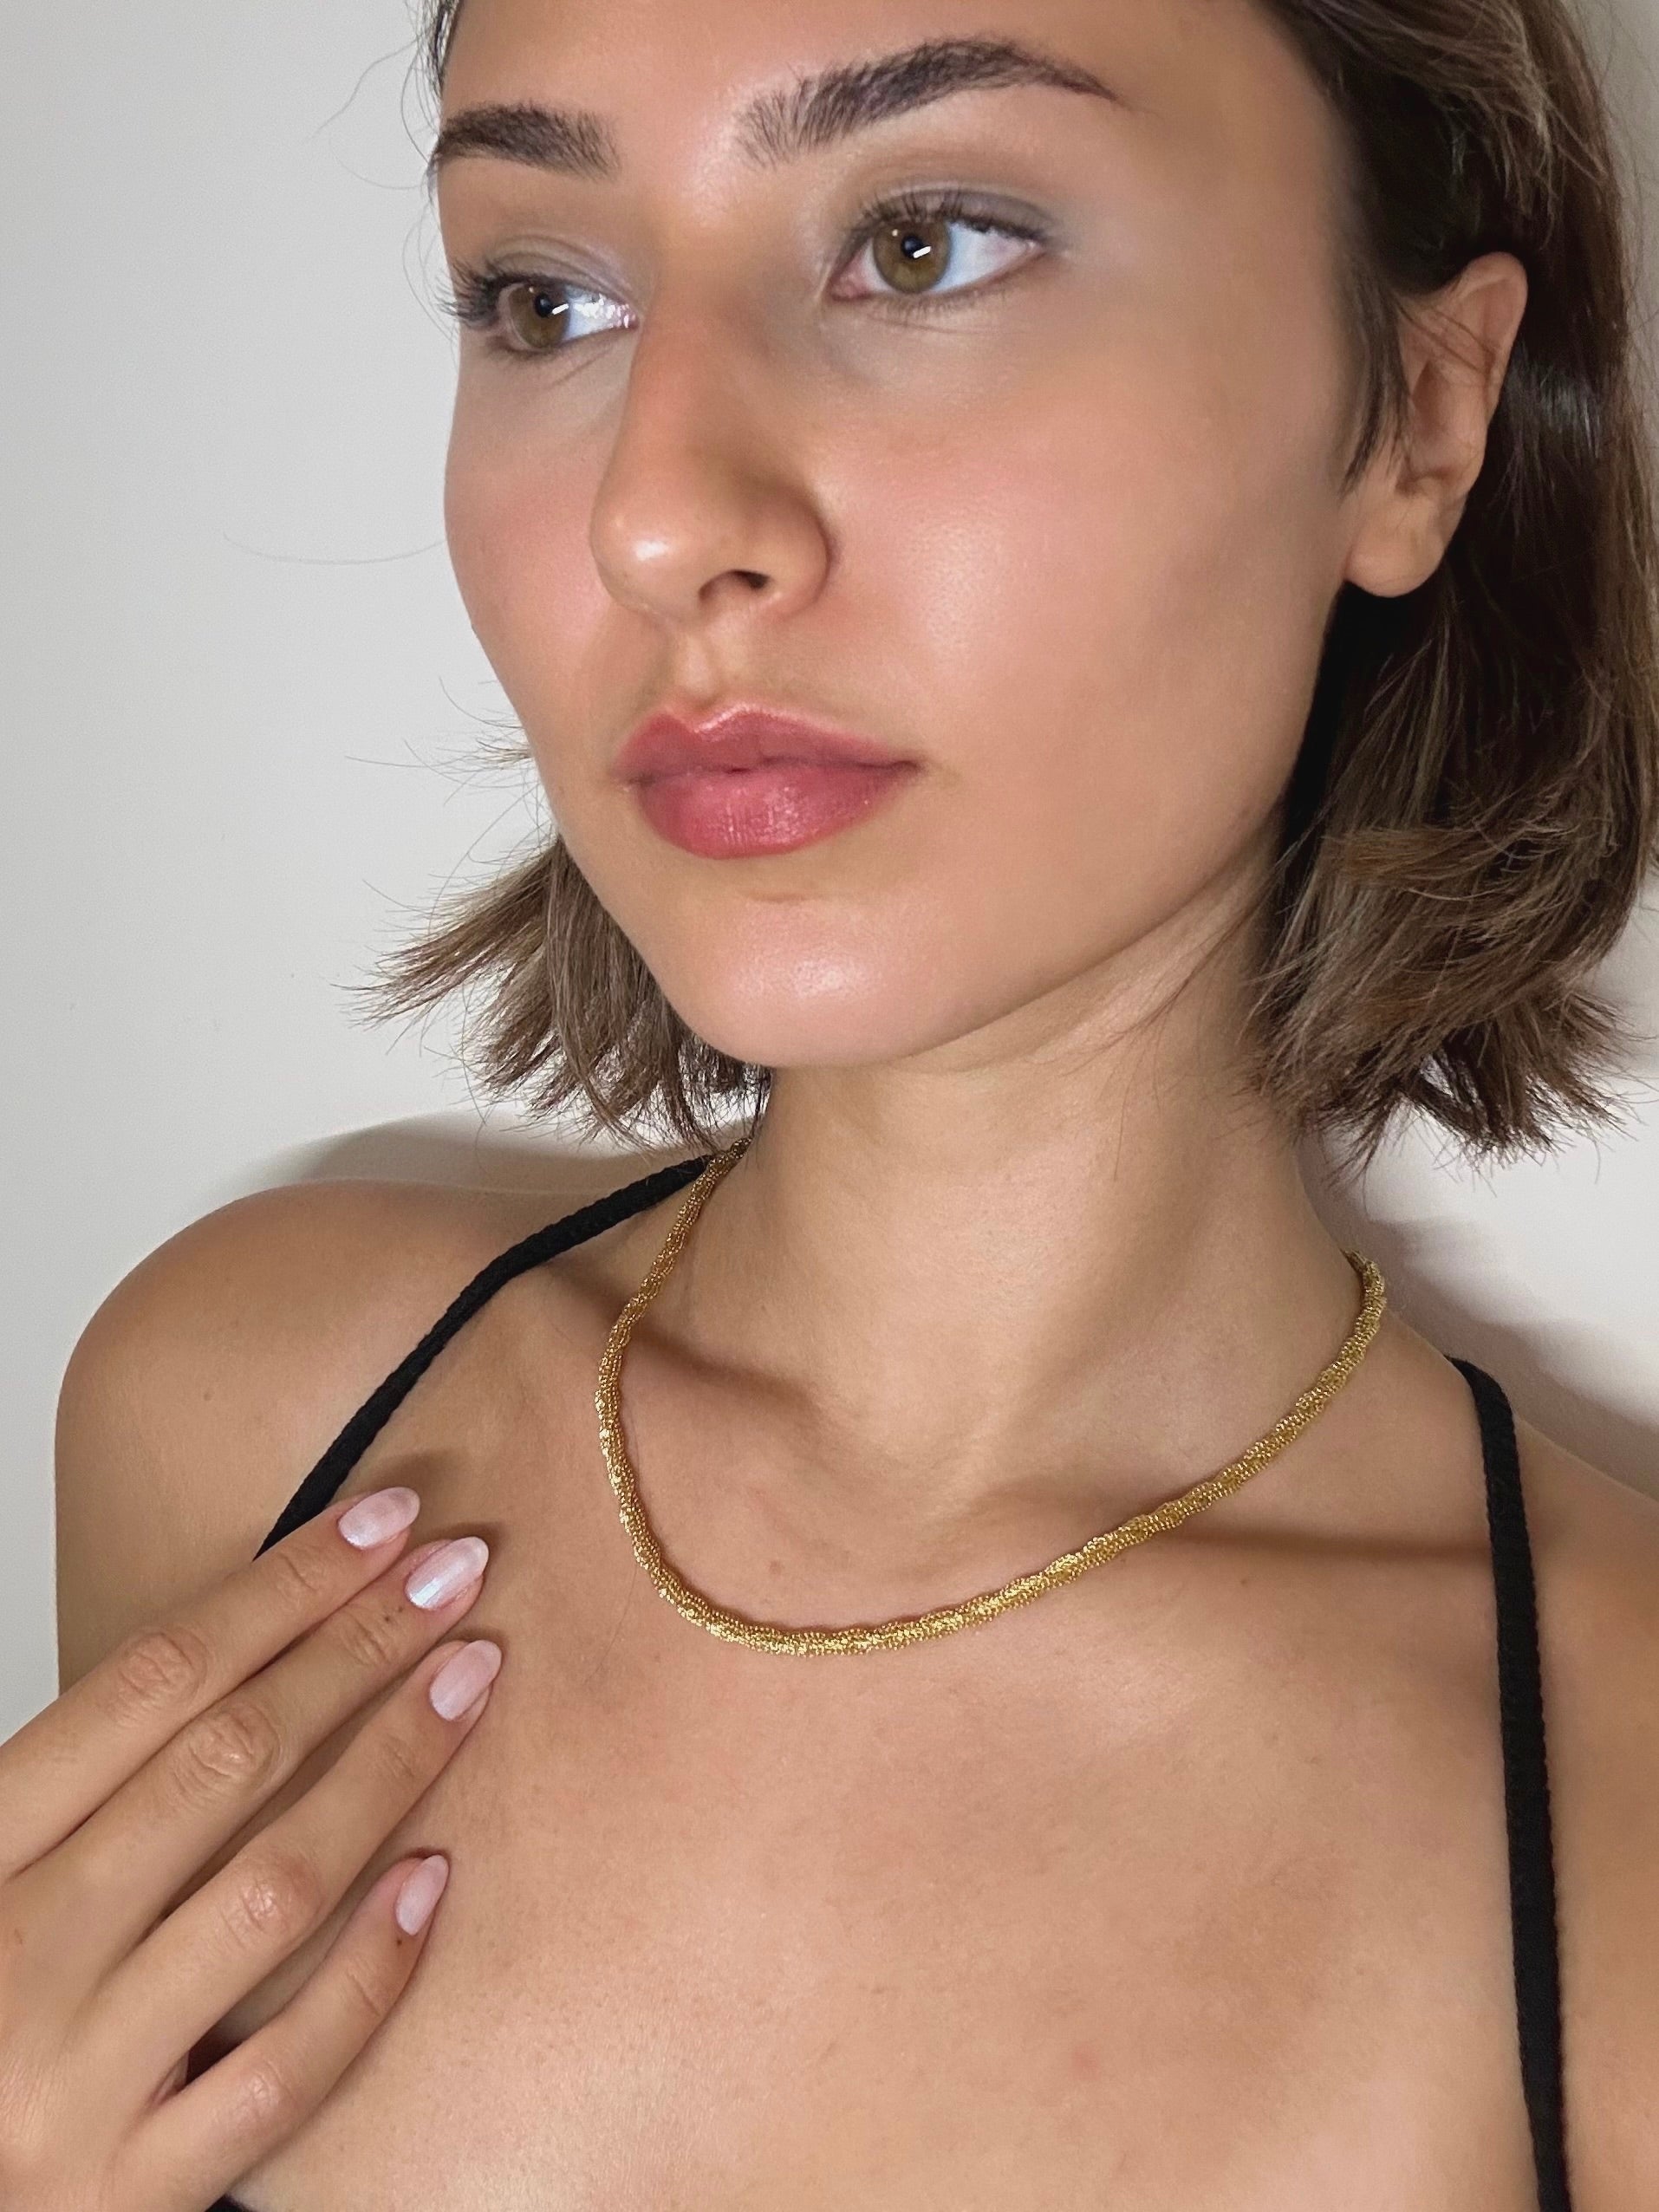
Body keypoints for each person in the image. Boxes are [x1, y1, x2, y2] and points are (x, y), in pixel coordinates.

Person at [5, 0, 1658, 2203]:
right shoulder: (234, 1420)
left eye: (926, 243)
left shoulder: (1622, 1837)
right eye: (546, 297)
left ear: (1421, 420)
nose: (658, 517)